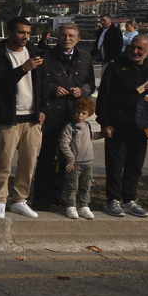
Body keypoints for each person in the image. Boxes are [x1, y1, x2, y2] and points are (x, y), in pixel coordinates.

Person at [96, 33, 148, 217]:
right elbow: (103, 97)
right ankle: (112, 200)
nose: (134, 51)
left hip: (141, 126)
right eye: (132, 47)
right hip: (117, 123)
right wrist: (104, 123)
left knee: (135, 165)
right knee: (115, 165)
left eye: (139, 48)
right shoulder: (115, 67)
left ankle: (129, 199)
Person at [0, 17, 45, 219]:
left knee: (28, 163)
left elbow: (43, 82)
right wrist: (23, 68)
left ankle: (19, 200)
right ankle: (0, 201)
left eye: (28, 33)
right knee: (3, 163)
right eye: (21, 32)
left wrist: (43, 109)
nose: (25, 37)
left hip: (32, 117)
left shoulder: (34, 52)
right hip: (8, 116)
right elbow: (1, 82)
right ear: (10, 32)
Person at [34, 23, 95, 210]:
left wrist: (82, 91)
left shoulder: (85, 57)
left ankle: (58, 193)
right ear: (57, 37)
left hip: (74, 115)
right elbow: (38, 81)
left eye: (71, 36)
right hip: (53, 113)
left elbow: (91, 83)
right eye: (63, 35)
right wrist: (53, 88)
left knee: (68, 158)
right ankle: (41, 197)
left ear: (78, 39)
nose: (67, 39)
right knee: (46, 157)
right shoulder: (46, 56)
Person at [58, 97, 106, 220]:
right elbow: (64, 144)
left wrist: (103, 134)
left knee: (85, 186)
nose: (80, 115)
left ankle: (84, 206)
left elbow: (91, 136)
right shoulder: (70, 127)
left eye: (83, 113)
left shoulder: (87, 125)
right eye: (77, 112)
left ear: (89, 115)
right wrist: (70, 158)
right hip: (74, 164)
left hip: (88, 163)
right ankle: (71, 206)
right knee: (72, 186)